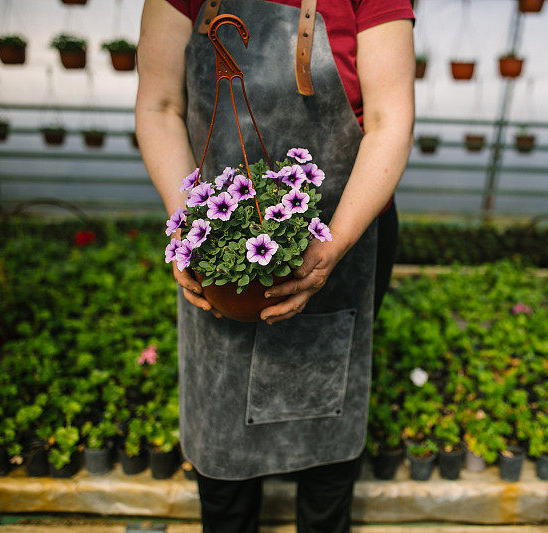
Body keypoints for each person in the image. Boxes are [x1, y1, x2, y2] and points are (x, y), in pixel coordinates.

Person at [135, 0, 415, 531]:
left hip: (343, 228)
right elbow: (160, 105)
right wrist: (189, 228)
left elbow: (389, 120)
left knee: (326, 420)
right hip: (219, 231)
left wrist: (333, 244)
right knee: (222, 425)